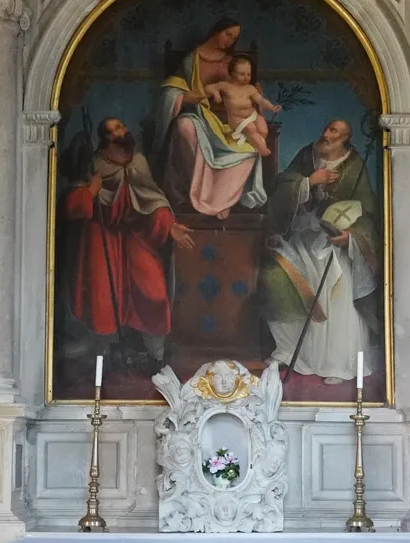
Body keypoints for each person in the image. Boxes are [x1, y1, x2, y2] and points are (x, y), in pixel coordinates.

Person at [60, 117, 194, 366]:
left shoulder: (139, 162)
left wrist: (170, 226)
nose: (124, 130)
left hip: (135, 236)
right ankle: (105, 357)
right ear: (107, 138)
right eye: (117, 129)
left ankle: (156, 357)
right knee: (103, 300)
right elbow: (71, 205)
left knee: (153, 292)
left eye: (122, 126)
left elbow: (152, 198)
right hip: (102, 237)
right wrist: (91, 191)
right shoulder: (94, 164)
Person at [259, 118, 382, 383]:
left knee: (338, 291)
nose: (326, 134)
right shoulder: (307, 155)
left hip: (335, 245)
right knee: (274, 279)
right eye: (326, 128)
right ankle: (289, 350)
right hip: (301, 239)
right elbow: (280, 187)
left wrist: (350, 238)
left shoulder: (354, 167)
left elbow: (368, 212)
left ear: (345, 138)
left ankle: (338, 363)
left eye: (334, 131)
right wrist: (307, 183)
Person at [154, 18, 267, 218]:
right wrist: (185, 97)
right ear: (216, 31)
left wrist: (255, 94)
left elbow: (248, 90)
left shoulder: (233, 62)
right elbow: (171, 90)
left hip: (231, 121)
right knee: (184, 125)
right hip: (200, 116)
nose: (230, 40)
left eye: (234, 38)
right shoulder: (191, 61)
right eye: (228, 34)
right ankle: (198, 194)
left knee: (250, 142)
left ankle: (224, 199)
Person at [206, 54, 281, 158]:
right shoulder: (225, 86)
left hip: (252, 115)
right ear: (232, 73)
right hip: (238, 119)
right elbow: (208, 88)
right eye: (242, 74)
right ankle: (261, 148)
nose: (246, 77)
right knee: (251, 128)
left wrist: (272, 107)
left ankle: (256, 144)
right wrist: (216, 94)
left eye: (248, 74)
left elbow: (261, 100)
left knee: (263, 129)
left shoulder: (250, 88)